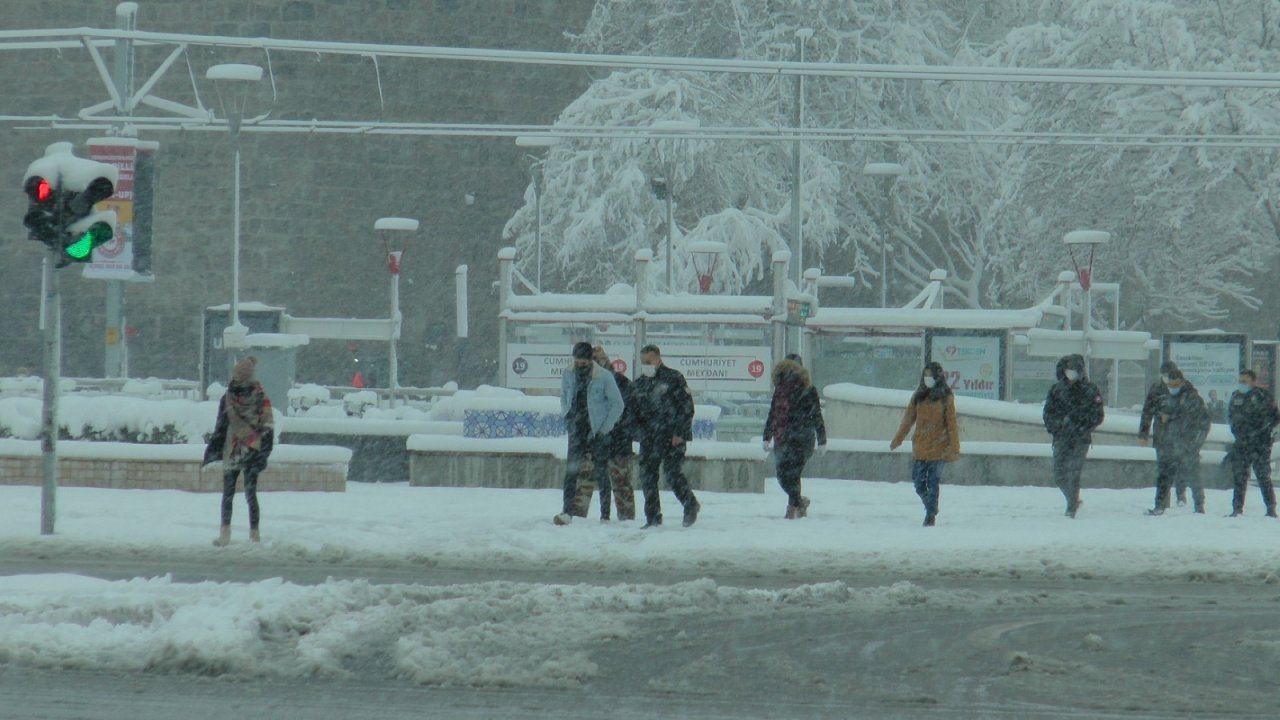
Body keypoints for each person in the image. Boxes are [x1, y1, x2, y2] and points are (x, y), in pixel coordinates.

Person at [203, 356, 275, 546]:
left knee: (228, 493)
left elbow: (220, 426)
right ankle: (254, 534)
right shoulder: (261, 397)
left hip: (232, 449)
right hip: (253, 449)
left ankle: (225, 533)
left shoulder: (228, 398)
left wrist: (212, 450)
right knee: (251, 494)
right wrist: (264, 453)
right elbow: (268, 428)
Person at [553, 342, 624, 525]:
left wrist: (605, 428)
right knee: (571, 473)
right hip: (576, 429)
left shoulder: (604, 376)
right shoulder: (568, 374)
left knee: (601, 472)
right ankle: (566, 511)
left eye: (584, 362)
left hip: (597, 431)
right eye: (577, 361)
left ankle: (605, 515)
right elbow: (564, 396)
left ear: (591, 360)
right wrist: (567, 416)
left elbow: (617, 404)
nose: (580, 365)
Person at [630, 344, 700, 528]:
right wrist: (637, 433)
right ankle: (652, 517)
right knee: (647, 476)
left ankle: (690, 504)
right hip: (649, 437)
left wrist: (680, 432)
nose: (646, 365)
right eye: (643, 362)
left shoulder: (674, 378)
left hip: (671, 436)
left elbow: (686, 407)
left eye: (649, 361)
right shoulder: (640, 383)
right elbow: (634, 412)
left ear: (658, 359)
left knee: (672, 473)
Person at [890, 362, 960, 526]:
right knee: (919, 483)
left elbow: (951, 424)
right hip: (920, 447)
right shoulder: (918, 396)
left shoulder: (946, 397)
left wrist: (954, 448)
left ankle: (930, 516)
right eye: (925, 375)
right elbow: (908, 420)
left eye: (930, 375)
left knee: (933, 482)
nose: (927, 378)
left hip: (939, 448)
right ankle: (931, 508)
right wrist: (897, 439)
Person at [763, 357, 828, 519]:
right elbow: (773, 414)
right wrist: (767, 435)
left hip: (801, 438)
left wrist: (822, 439)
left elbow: (816, 415)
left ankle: (792, 508)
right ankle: (799, 502)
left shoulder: (807, 389)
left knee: (791, 474)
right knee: (783, 474)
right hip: (784, 438)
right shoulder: (781, 389)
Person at [1042, 354, 1104, 518]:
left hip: (1081, 439)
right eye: (1070, 370)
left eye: (1076, 370)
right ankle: (1073, 499)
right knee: (1059, 473)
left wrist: (1081, 425)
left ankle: (1071, 507)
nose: (1072, 373)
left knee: (1074, 472)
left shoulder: (1090, 390)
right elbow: (1048, 414)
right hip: (1061, 438)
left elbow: (1098, 415)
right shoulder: (1056, 390)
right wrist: (1057, 427)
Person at [1146, 369, 1210, 515]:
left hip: (1187, 443)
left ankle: (1199, 506)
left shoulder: (1192, 397)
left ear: (1182, 382)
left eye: (1175, 385)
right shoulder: (1164, 396)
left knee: (1194, 475)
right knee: (1163, 475)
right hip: (1168, 443)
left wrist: (1195, 443)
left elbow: (1198, 420)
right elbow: (1156, 413)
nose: (1172, 388)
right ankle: (1159, 505)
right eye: (1170, 385)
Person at [592, 345, 637, 521]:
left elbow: (629, 411)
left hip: (618, 442)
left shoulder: (621, 382)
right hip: (601, 442)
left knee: (622, 485)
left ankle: (626, 519)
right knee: (603, 484)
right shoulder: (590, 383)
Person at [1226, 369, 1279, 517]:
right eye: (1240, 381)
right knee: (1239, 477)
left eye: (1245, 381)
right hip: (1241, 443)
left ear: (1253, 382)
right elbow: (1231, 417)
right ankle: (1237, 508)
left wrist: (1260, 433)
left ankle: (1270, 509)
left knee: (1263, 477)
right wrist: (1238, 433)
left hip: (1260, 444)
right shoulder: (1236, 396)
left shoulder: (1263, 396)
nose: (1241, 384)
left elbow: (1274, 418)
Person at [1139, 361, 1186, 504]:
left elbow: (1189, 411)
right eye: (1164, 375)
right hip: (1161, 434)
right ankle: (1164, 498)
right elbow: (1147, 412)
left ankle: (1181, 494)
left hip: (1180, 434)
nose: (1166, 378)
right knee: (1163, 468)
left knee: (1180, 466)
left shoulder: (1183, 388)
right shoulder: (1156, 389)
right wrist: (1143, 434)